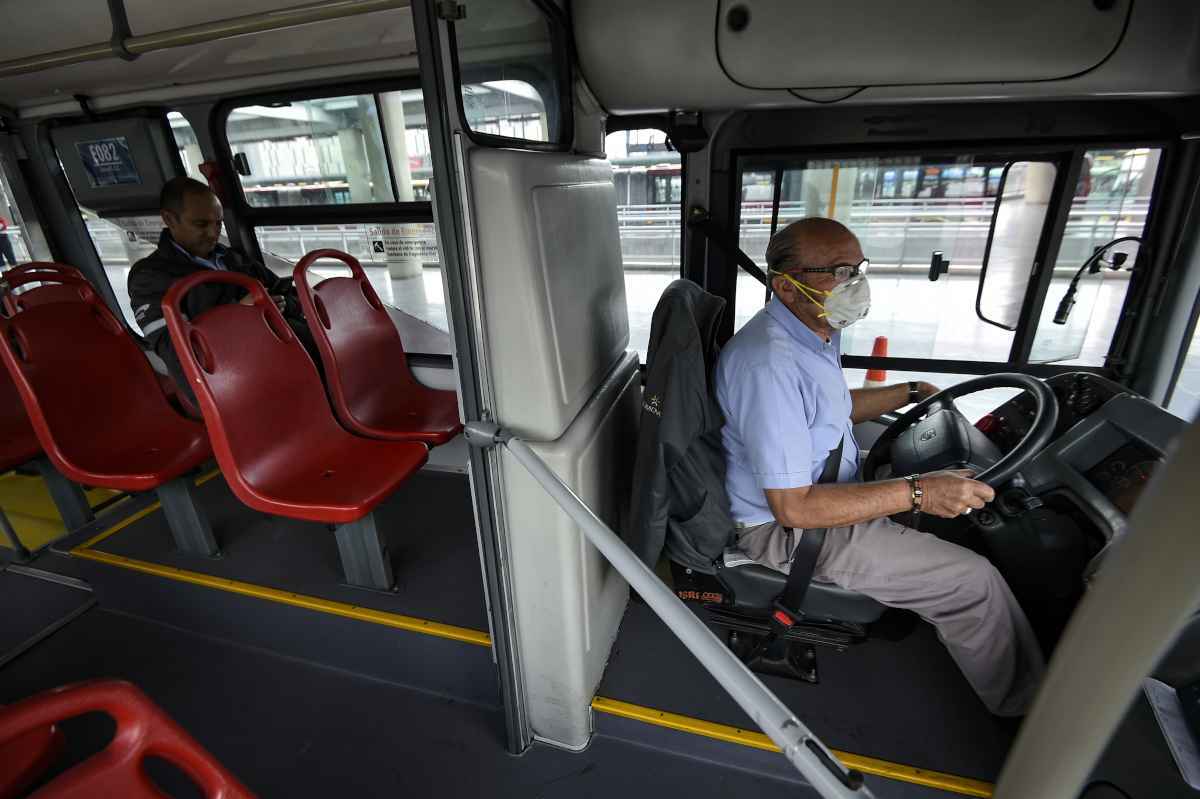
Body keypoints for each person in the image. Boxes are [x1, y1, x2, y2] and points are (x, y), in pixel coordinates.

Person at [715, 217, 1044, 717]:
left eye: (859, 267)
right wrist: (918, 492)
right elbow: (793, 508)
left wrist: (910, 392)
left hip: (826, 486)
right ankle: (1028, 713)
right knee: (972, 583)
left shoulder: (812, 331)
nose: (856, 283)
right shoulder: (769, 364)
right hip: (786, 529)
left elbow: (828, 409)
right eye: (839, 271)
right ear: (786, 286)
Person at [129, 177, 319, 404]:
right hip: (241, 384)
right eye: (201, 224)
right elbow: (178, 353)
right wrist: (238, 317)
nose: (213, 233)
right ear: (169, 219)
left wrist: (283, 304)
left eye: (218, 223)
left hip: (292, 352)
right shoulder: (150, 277)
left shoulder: (233, 258)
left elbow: (287, 292)